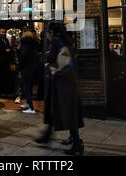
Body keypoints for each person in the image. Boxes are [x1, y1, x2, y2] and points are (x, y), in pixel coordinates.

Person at [35, 22, 84, 156]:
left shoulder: (56, 41)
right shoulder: (66, 40)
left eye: (47, 32)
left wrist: (47, 57)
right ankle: (58, 137)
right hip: (68, 80)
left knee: (66, 111)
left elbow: (49, 59)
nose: (46, 35)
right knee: (64, 110)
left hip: (62, 82)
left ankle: (77, 145)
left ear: (51, 32)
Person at [18, 28, 40, 114]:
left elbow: (23, 57)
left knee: (25, 87)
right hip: (33, 68)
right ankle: (28, 103)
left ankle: (31, 108)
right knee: (29, 86)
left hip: (26, 68)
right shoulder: (33, 44)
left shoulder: (24, 44)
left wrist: (20, 68)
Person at [0, 27, 11, 97]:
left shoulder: (6, 40)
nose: (3, 33)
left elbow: (9, 48)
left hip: (6, 61)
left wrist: (8, 50)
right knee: (0, 77)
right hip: (0, 61)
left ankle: (5, 90)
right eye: (2, 32)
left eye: (4, 32)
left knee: (5, 76)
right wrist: (5, 50)